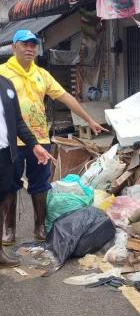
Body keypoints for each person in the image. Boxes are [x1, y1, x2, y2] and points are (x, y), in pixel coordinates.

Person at [0, 29, 107, 244]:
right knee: (9, 184)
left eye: (33, 45)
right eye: (25, 44)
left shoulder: (42, 74)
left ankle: (40, 227)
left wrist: (89, 119)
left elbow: (66, 97)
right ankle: (9, 229)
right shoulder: (3, 73)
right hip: (11, 141)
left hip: (40, 139)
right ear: (14, 47)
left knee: (40, 183)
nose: (30, 49)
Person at [0, 75, 53, 267]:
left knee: (2, 198)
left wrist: (34, 145)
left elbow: (17, 121)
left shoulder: (5, 84)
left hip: (4, 153)